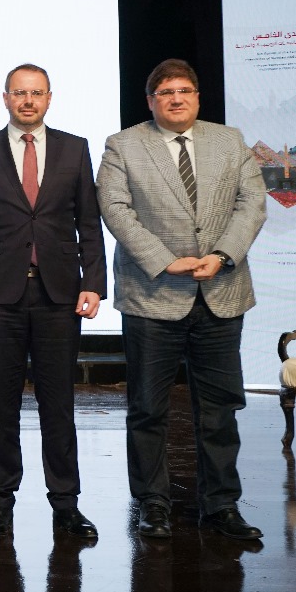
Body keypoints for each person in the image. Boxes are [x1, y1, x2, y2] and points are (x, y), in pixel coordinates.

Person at [97, 58, 266, 541]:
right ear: (150, 101)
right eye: (166, 92)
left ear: (197, 97)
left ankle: (222, 506)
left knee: (219, 409)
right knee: (148, 410)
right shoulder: (124, 144)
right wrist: (164, 260)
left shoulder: (229, 140)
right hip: (153, 295)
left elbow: (252, 203)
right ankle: (153, 504)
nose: (176, 99)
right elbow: (115, 208)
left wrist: (222, 254)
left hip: (220, 292)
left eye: (184, 91)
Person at [0, 64, 106, 538]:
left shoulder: (74, 148)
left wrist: (93, 282)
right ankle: (0, 501)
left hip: (59, 294)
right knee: (1, 404)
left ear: (49, 98)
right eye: (19, 93)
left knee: (58, 404)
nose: (27, 101)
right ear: (5, 98)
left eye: (36, 93)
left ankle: (66, 504)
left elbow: (88, 221)